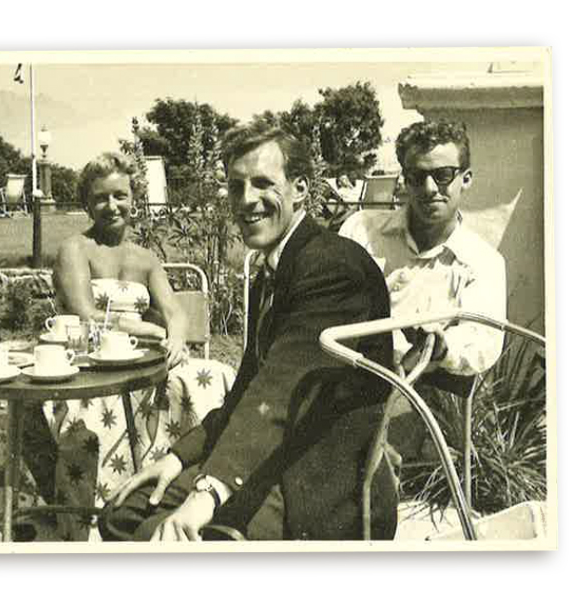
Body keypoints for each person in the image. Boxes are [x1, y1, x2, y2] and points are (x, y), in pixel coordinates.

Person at [99, 122, 396, 542]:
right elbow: (247, 393)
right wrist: (178, 458)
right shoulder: (275, 266)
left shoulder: (333, 267)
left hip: (314, 484)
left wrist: (204, 495)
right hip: (265, 460)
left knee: (159, 536)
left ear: (301, 189)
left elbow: (276, 394)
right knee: (120, 514)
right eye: (236, 187)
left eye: (262, 184)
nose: (246, 200)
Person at [43, 152, 235, 541]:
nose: (111, 206)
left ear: (134, 199)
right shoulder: (75, 249)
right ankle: (101, 517)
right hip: (88, 364)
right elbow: (84, 312)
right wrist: (140, 328)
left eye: (120, 195)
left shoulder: (145, 258)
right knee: (93, 415)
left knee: (215, 377)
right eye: (100, 198)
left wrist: (177, 337)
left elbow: (175, 313)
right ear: (86, 204)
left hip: (141, 367)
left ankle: (193, 493)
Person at [338, 120, 507, 464]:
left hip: (424, 399)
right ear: (405, 180)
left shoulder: (482, 261)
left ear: (466, 179)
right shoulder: (362, 231)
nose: (430, 188)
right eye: (417, 176)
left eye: (443, 175)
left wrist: (442, 346)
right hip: (350, 381)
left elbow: (483, 343)